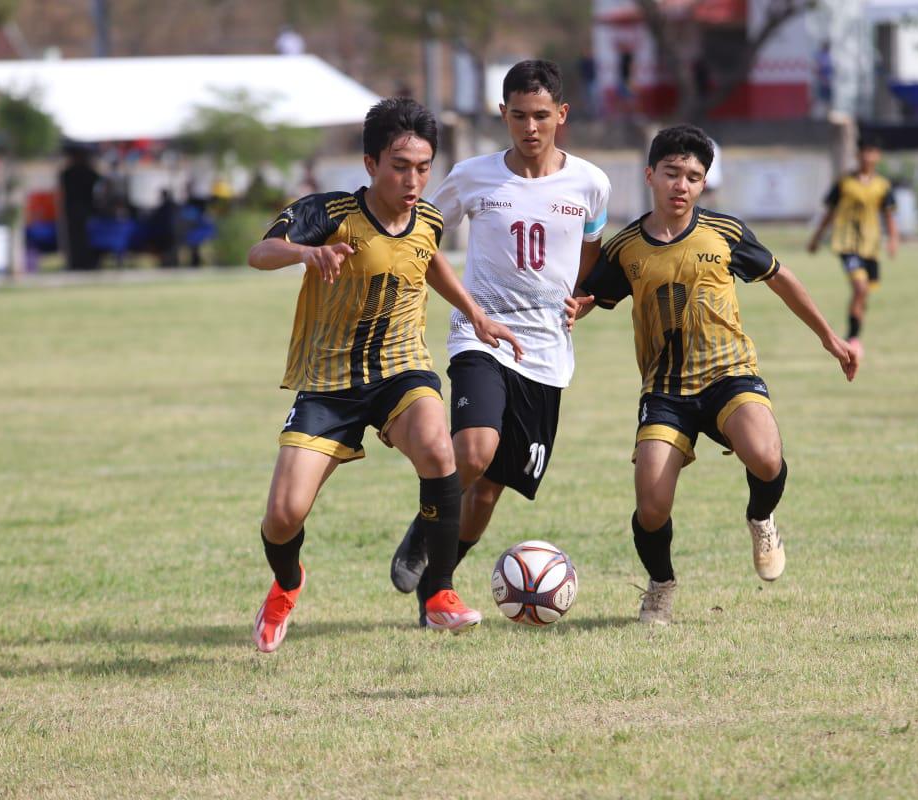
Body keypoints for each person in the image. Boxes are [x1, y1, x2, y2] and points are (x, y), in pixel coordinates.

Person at [245, 97, 523, 651]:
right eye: (400, 167)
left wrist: (474, 312)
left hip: (401, 370)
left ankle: (439, 592)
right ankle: (287, 584)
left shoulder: (429, 219)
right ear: (371, 164)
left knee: (439, 450)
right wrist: (304, 254)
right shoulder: (328, 212)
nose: (413, 180)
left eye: (423, 167)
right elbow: (260, 251)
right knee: (282, 516)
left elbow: (428, 257)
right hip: (329, 383)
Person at [577, 124, 857, 625]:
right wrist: (571, 308)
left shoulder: (725, 232)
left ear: (704, 183)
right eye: (672, 173)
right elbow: (590, 296)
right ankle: (661, 585)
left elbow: (781, 279)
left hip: (729, 374)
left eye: (693, 177)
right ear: (650, 175)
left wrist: (829, 337)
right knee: (651, 506)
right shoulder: (626, 248)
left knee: (766, 457)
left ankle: (760, 517)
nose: (681, 185)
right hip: (665, 390)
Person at [386, 60, 611, 625]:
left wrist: (582, 296)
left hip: (547, 353)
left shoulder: (590, 183)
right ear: (503, 114)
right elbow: (421, 235)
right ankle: (423, 538)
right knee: (473, 451)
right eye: (519, 115)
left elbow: (592, 245)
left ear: (562, 114)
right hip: (480, 336)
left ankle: (435, 588)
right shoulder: (472, 176)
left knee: (488, 491)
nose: (530, 127)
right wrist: (459, 304)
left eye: (542, 115)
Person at [807, 134, 899, 360]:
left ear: (878, 156)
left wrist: (893, 239)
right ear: (857, 155)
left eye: (872, 152)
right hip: (846, 244)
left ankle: (856, 334)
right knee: (860, 288)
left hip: (871, 246)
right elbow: (829, 213)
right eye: (864, 152)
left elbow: (888, 215)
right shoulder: (844, 183)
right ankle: (852, 338)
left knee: (864, 294)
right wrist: (817, 238)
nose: (868, 156)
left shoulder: (882, 185)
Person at [59, 144, 100, 271]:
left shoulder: (70, 173)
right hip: (78, 210)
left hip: (81, 210)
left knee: (83, 238)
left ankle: (83, 261)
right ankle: (79, 262)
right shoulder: (72, 173)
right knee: (77, 239)